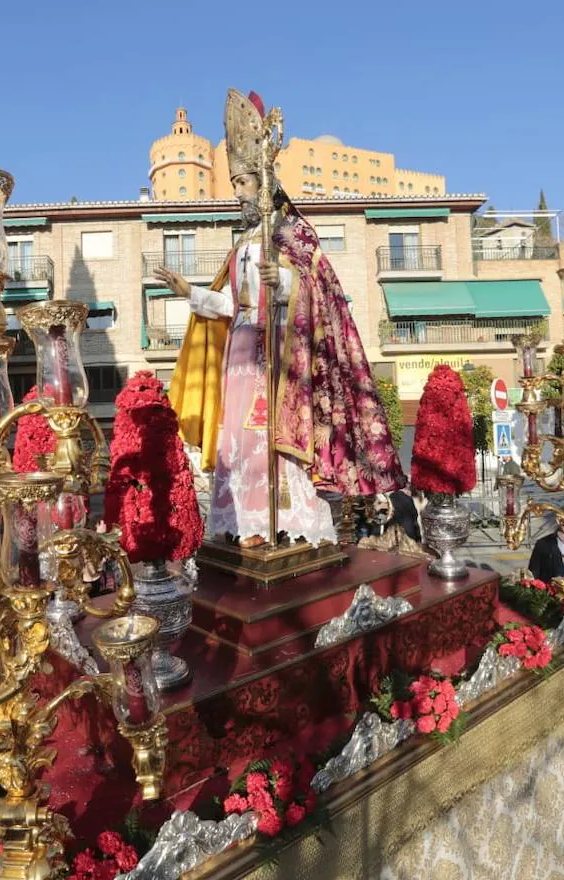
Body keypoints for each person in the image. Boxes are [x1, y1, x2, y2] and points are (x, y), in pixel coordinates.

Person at [163, 88, 405, 549]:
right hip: (238, 355)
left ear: (265, 182)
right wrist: (190, 292)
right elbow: (233, 306)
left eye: (242, 183)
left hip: (277, 357)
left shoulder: (293, 235)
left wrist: (286, 282)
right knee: (238, 441)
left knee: (269, 437)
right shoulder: (243, 243)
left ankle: (284, 520)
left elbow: (318, 291)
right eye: (234, 184)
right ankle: (244, 523)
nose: (236, 193)